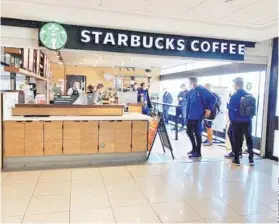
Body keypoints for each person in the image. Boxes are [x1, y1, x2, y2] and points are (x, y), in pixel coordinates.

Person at [186, 76, 217, 159]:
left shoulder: (202, 89)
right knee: (188, 132)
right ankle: (194, 148)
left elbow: (213, 99)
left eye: (189, 83)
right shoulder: (191, 91)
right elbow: (189, 104)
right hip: (190, 116)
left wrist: (209, 109)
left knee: (197, 134)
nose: (188, 84)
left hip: (198, 116)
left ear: (193, 83)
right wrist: (186, 116)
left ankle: (198, 152)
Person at [228, 77, 254, 166]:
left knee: (237, 140)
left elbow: (231, 110)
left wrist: (231, 120)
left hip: (237, 122)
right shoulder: (249, 95)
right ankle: (251, 159)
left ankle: (237, 159)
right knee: (249, 139)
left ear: (236, 85)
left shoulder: (234, 96)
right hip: (248, 121)